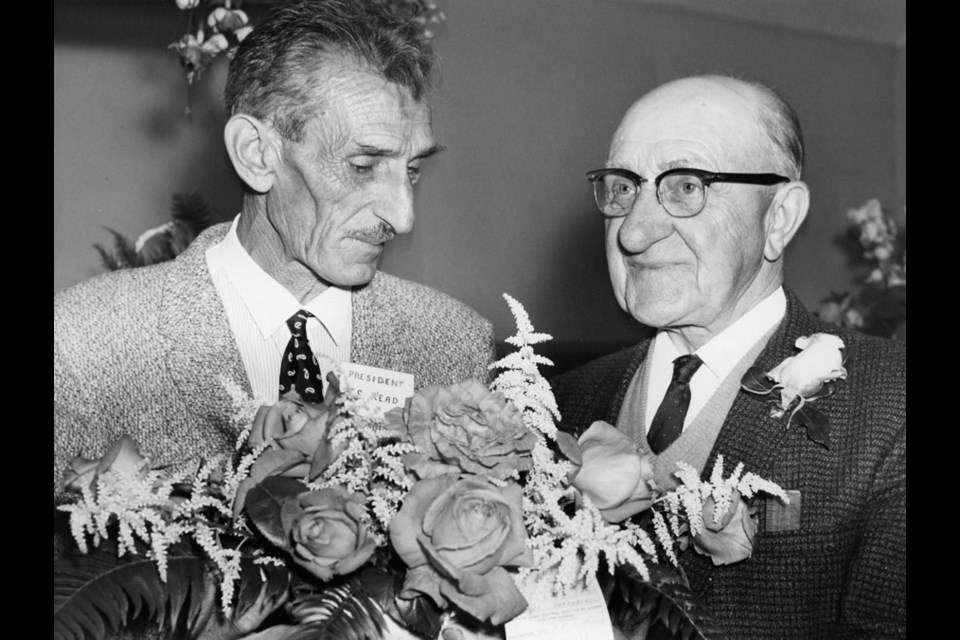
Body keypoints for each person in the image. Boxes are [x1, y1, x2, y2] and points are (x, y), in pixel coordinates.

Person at [54, 0, 494, 501]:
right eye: (363, 166)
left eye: (412, 169)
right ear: (256, 154)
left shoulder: (453, 346)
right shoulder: (83, 347)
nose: (402, 216)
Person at [551, 75, 905, 639]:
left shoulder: (891, 407)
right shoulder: (549, 403)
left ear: (779, 218)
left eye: (686, 186)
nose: (634, 233)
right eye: (622, 188)